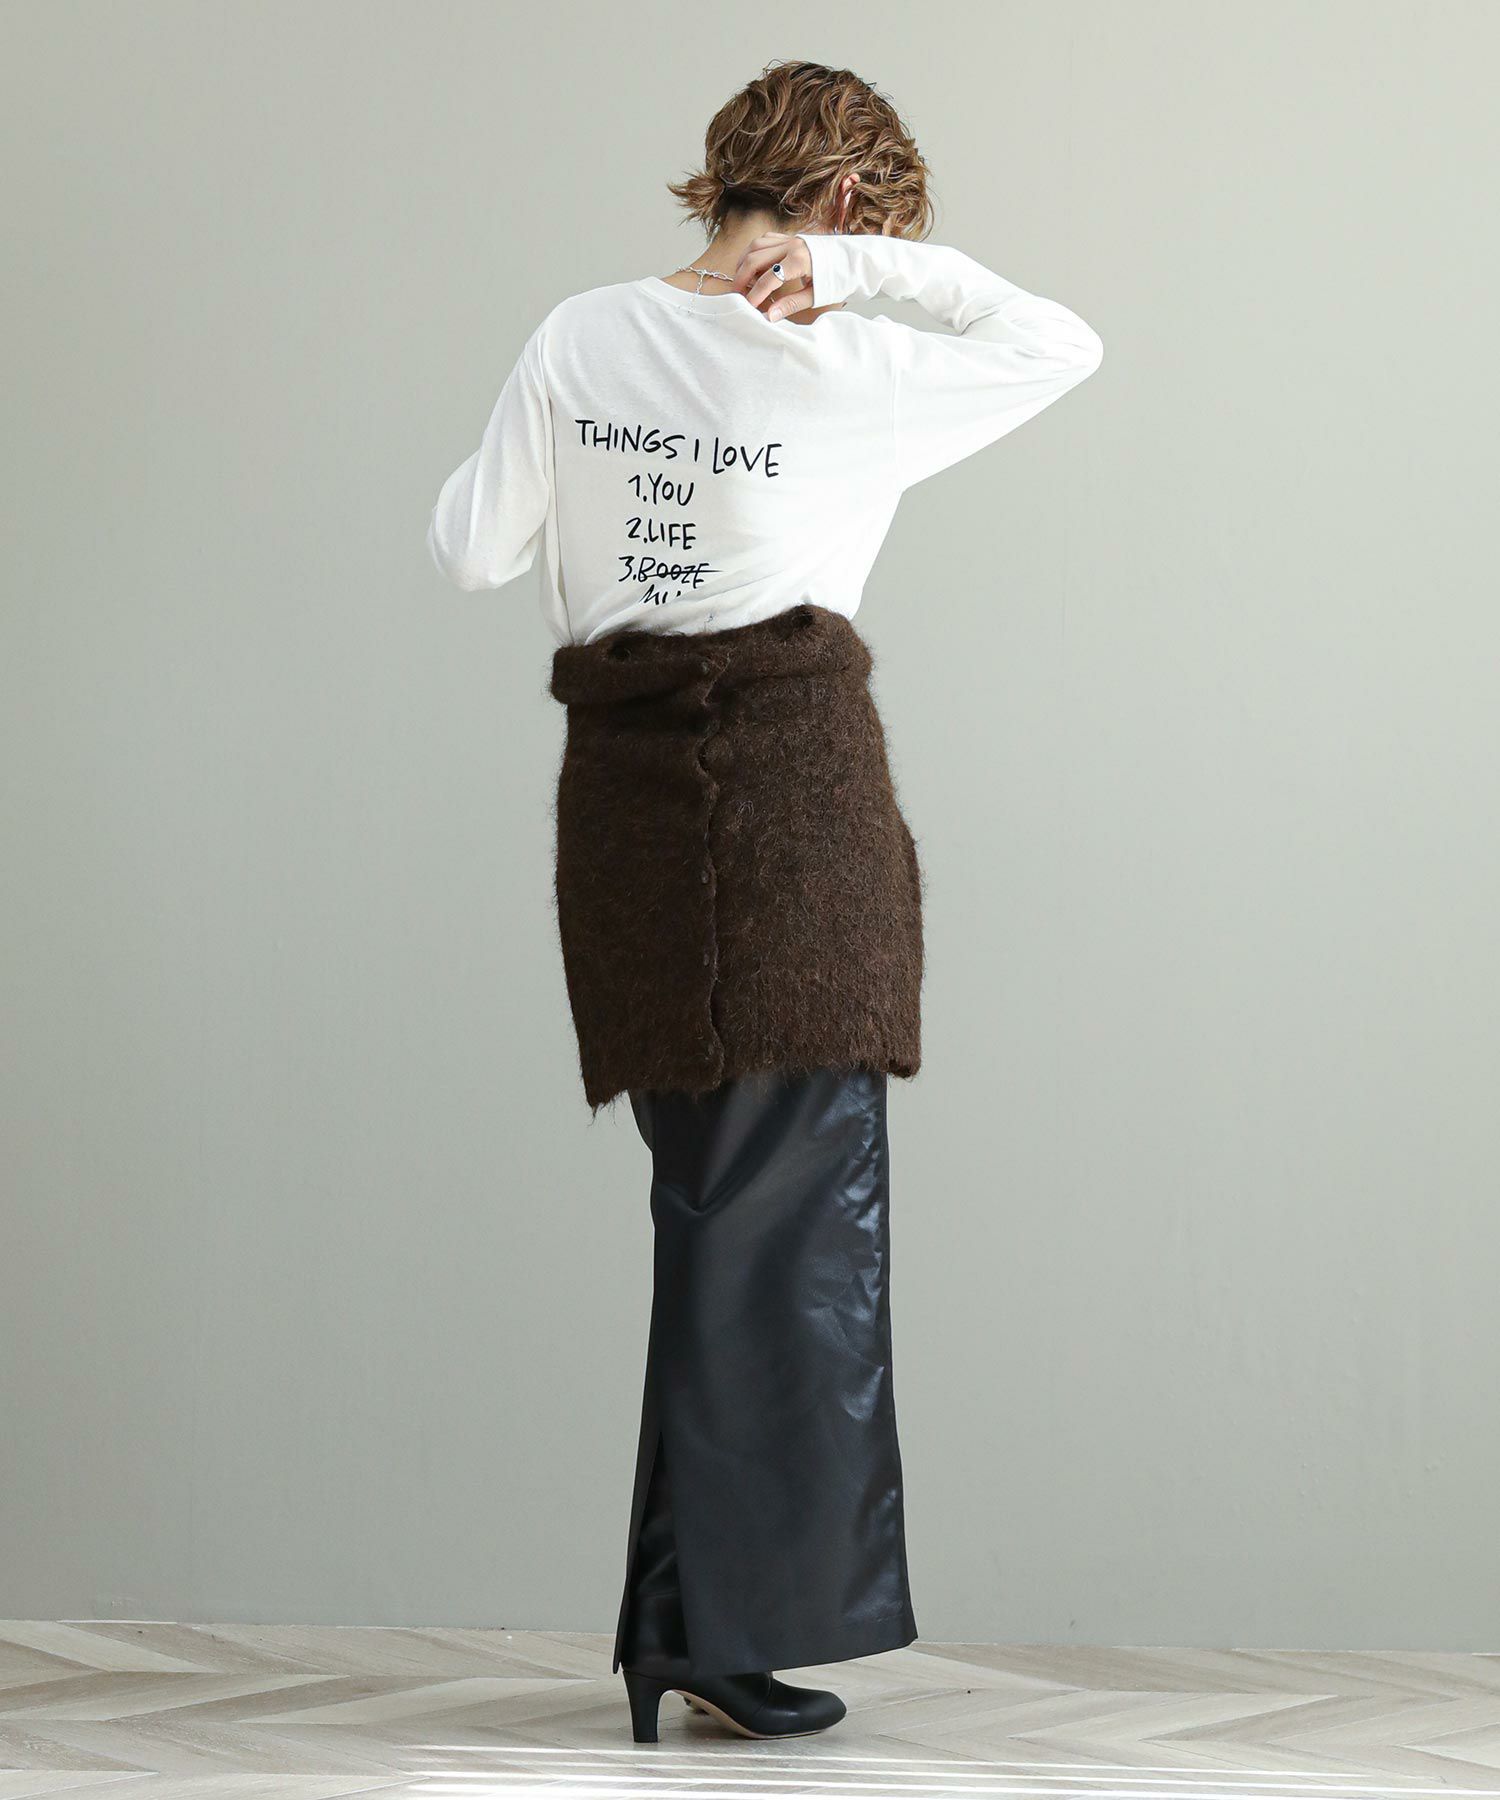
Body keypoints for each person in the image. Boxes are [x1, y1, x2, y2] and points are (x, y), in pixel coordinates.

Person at [427, 58, 1103, 1746]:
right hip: (793, 817)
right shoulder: (848, 362)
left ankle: (685, 1629)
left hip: (630, 819)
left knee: (720, 1214)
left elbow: (469, 548)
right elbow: (1060, 344)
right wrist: (862, 284)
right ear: (852, 205)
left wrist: (599, 461)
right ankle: (714, 1630)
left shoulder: (578, 335)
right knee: (792, 1232)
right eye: (875, 231)